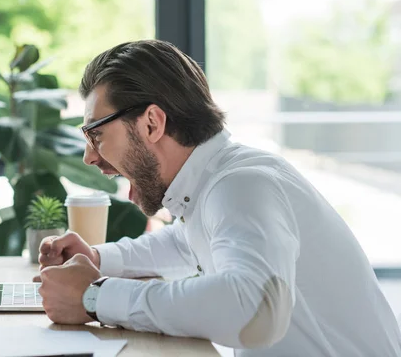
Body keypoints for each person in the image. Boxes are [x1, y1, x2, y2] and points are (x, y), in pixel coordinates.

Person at [35, 40, 401, 356]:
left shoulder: (242, 186)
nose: (89, 156)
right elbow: (183, 244)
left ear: (151, 123)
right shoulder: (218, 183)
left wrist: (97, 297)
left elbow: (252, 307)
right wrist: (98, 258)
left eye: (96, 135)